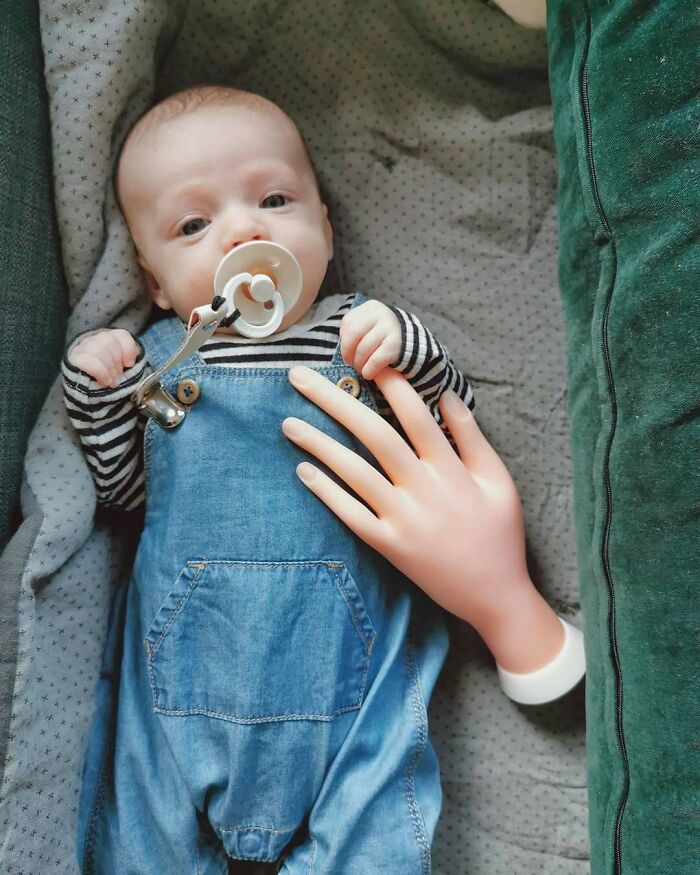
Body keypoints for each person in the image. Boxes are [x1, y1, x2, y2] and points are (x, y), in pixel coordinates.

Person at [62, 85, 583, 873]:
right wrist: (97, 394)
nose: (245, 229)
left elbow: (446, 446)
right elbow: (126, 497)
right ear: (158, 280)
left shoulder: (356, 332)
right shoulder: (165, 357)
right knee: (138, 833)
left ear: (327, 229)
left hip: (353, 677)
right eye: (195, 225)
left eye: (274, 198)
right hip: (179, 681)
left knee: (377, 833)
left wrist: (414, 352)